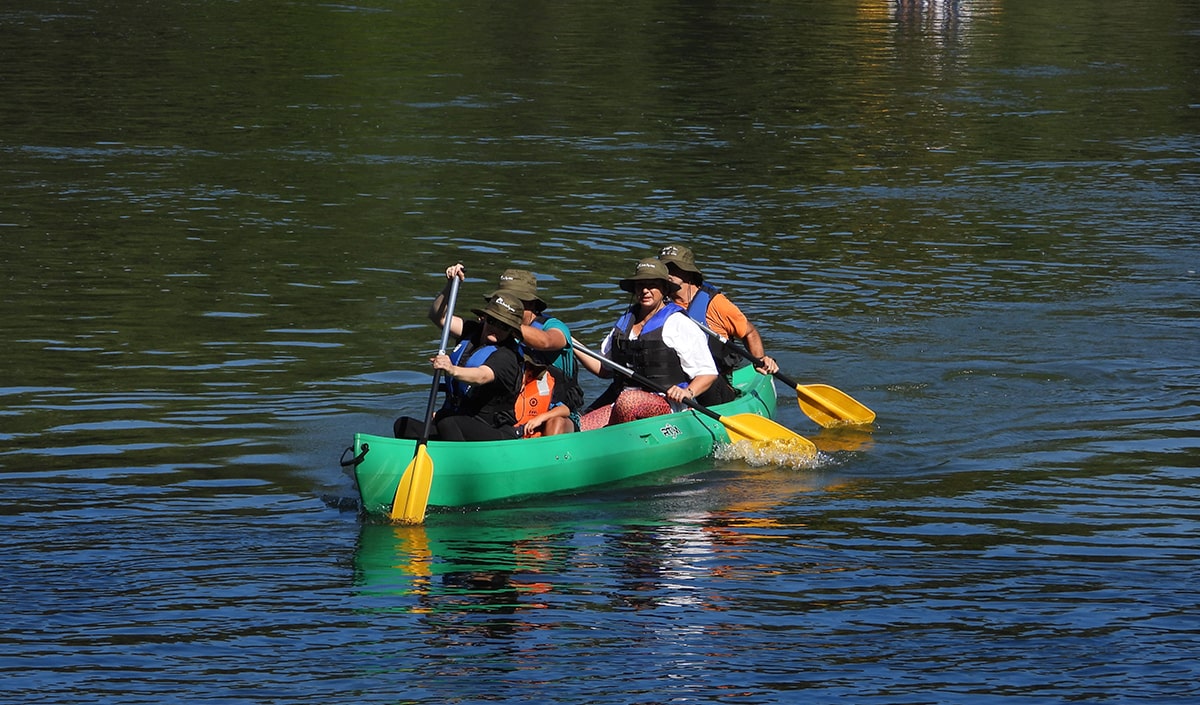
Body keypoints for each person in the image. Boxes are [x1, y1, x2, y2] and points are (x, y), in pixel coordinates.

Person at [575, 258, 719, 430]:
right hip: (621, 403)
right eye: (640, 285)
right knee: (579, 427)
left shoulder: (679, 323)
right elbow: (604, 369)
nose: (645, 290)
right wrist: (571, 342)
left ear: (664, 289)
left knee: (629, 401)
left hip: (665, 405)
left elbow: (708, 373)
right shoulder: (625, 323)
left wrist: (687, 392)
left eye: (652, 285)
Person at [392, 269, 525, 442]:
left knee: (447, 422)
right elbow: (438, 316)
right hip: (457, 424)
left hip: (492, 431)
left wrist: (451, 369)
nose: (496, 328)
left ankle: (454, 464)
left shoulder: (508, 356)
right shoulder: (471, 331)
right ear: (484, 318)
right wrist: (449, 286)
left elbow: (481, 375)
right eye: (492, 321)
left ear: (511, 331)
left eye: (504, 326)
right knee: (403, 425)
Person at [657, 243, 780, 406]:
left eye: (671, 268)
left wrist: (759, 360)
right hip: (673, 387)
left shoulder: (715, 304)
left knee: (705, 375)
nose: (666, 273)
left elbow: (749, 332)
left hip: (714, 389)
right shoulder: (658, 303)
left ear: (687, 272)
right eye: (662, 268)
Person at [483, 267, 583, 435]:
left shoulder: (554, 326)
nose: (505, 307)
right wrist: (449, 287)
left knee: (555, 423)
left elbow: (546, 341)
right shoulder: (496, 330)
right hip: (513, 412)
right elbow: (442, 319)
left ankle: (552, 459)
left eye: (510, 301)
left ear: (529, 304)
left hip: (558, 412)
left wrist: (507, 324)